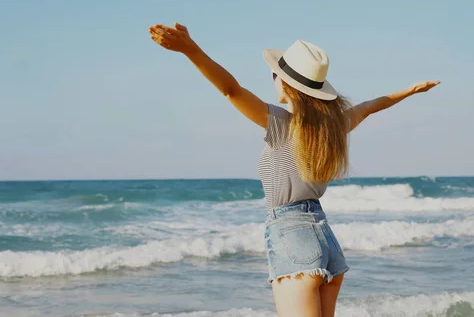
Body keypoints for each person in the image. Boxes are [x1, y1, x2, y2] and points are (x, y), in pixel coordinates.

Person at [149, 22, 439, 317]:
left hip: (292, 235)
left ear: (286, 84)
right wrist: (410, 91)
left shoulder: (282, 123)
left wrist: (191, 50)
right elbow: (368, 107)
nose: (272, 78)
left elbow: (231, 90)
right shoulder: (333, 128)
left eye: (275, 74)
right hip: (325, 239)